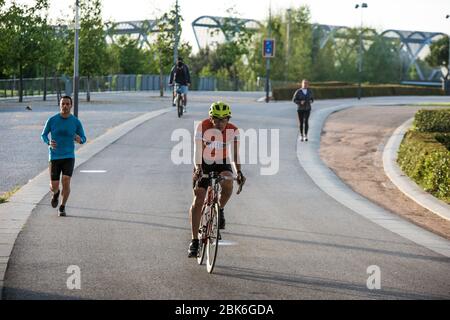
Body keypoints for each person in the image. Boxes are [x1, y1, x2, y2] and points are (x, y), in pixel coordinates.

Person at [188, 101, 246, 258]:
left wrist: (238, 172)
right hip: (204, 162)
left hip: (222, 162)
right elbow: (197, 150)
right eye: (217, 119)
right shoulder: (202, 126)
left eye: (224, 119)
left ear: (228, 119)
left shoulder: (233, 130)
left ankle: (219, 209)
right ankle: (194, 241)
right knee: (198, 198)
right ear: (211, 118)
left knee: (228, 182)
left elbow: (234, 155)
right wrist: (198, 168)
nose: (220, 123)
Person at [41, 96, 86, 217]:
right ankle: (56, 193)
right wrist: (48, 142)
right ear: (60, 105)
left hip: (68, 156)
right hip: (54, 156)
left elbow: (84, 138)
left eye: (67, 104)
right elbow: (44, 135)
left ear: (71, 105)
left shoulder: (75, 122)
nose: (65, 106)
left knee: (66, 180)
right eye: (63, 104)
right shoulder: (52, 120)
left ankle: (62, 207)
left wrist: (79, 139)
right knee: (54, 186)